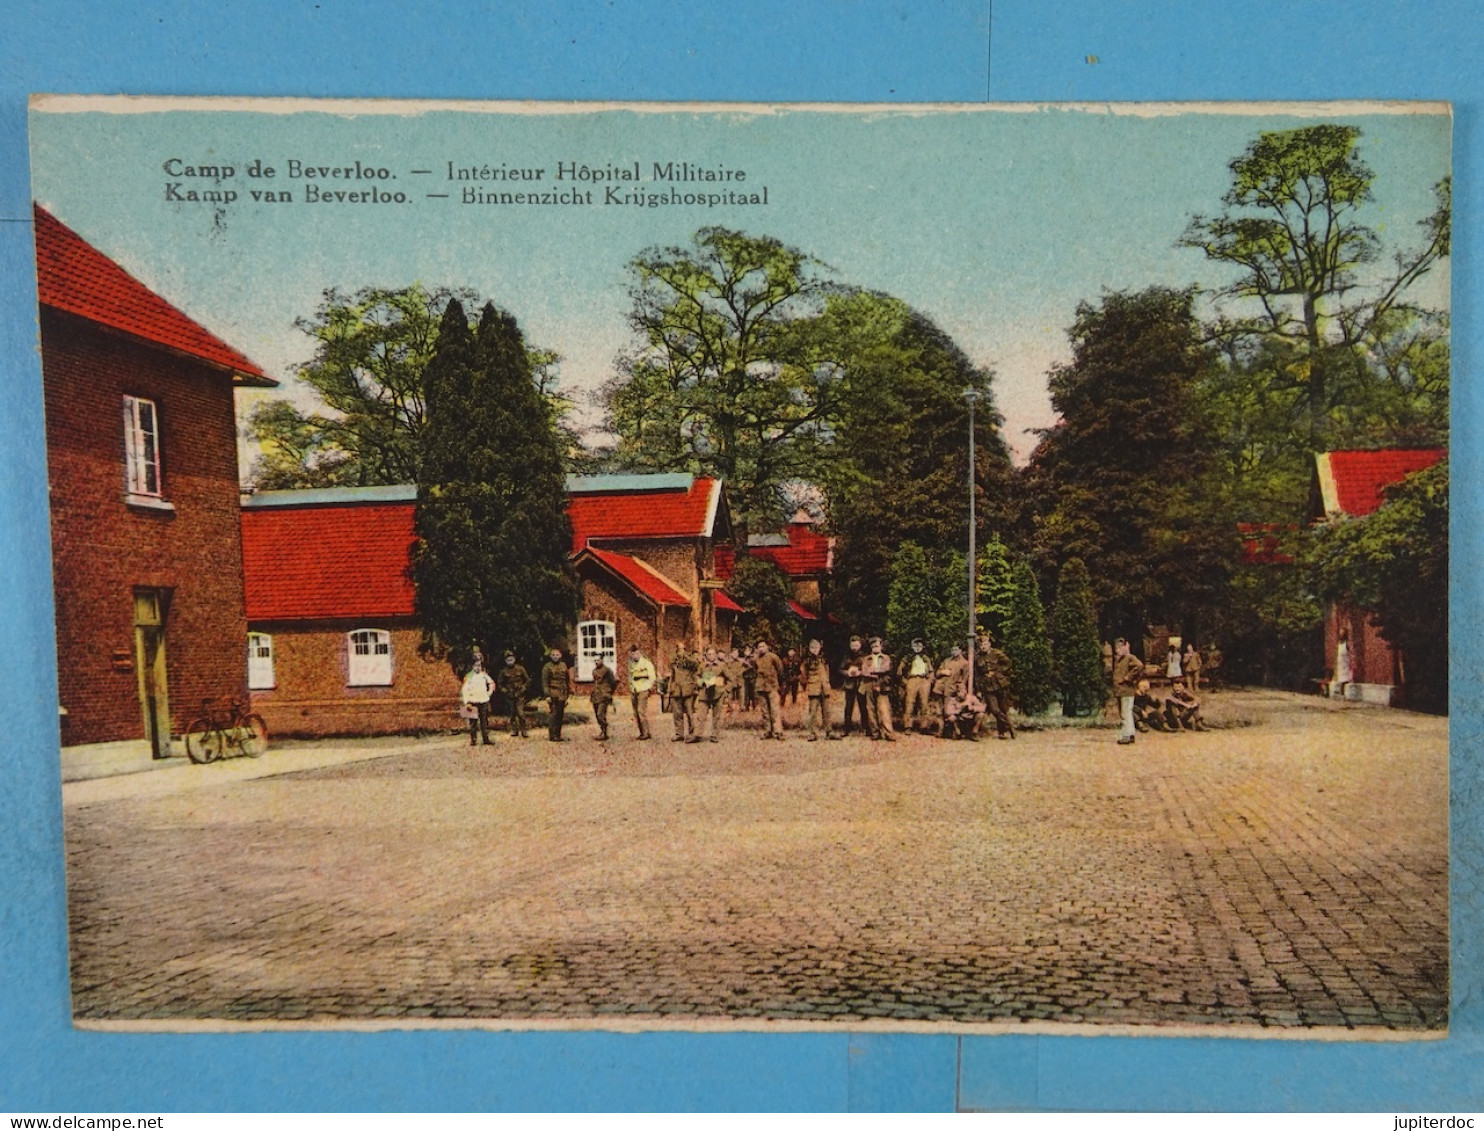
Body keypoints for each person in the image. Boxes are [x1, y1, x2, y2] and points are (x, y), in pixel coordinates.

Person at [976, 633, 1015, 740]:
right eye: (981, 645)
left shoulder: (996, 653)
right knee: (994, 710)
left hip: (999, 683)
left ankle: (1002, 733)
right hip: (987, 685)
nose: (983, 647)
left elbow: (1008, 663)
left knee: (1003, 709)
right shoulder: (978, 657)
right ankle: (1009, 726)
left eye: (984, 644)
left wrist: (999, 673)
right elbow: (977, 675)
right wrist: (979, 689)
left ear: (989, 644)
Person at [800, 638, 837, 741]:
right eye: (812, 647)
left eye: (816, 647)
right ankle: (812, 733)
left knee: (827, 711)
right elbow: (803, 674)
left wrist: (827, 683)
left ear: (820, 647)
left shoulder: (824, 659)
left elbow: (827, 671)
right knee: (812, 712)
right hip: (813, 688)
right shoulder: (807, 660)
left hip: (824, 687)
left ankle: (829, 731)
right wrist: (805, 685)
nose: (815, 650)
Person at [861, 637, 896, 741]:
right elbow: (864, 671)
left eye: (876, 646)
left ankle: (888, 733)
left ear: (881, 646)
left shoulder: (886, 658)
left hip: (882, 684)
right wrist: (874, 673)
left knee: (884, 709)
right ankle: (875, 732)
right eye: (872, 646)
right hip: (868, 684)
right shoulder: (866, 659)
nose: (874, 648)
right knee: (870, 709)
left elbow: (886, 670)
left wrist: (876, 676)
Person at [693, 647, 729, 743]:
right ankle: (698, 734)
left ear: (716, 655)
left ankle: (714, 735)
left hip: (718, 693)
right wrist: (700, 682)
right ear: (706, 655)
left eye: (713, 654)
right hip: (705, 693)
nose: (711, 656)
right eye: (709, 654)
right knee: (701, 715)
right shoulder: (702, 666)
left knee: (716, 716)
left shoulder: (722, 666)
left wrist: (726, 690)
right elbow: (696, 676)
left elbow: (731, 678)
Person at [1112, 637, 1144, 745]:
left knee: (1125, 713)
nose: (1118, 649)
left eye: (1121, 647)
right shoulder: (1119, 659)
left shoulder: (1129, 657)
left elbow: (1139, 666)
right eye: (1116, 647)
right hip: (1121, 691)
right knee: (1127, 713)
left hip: (1126, 690)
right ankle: (1130, 734)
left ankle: (1126, 735)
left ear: (1126, 646)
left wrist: (1128, 678)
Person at [933, 645, 970, 739]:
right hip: (940, 689)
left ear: (960, 650)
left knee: (949, 712)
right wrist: (942, 672)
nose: (953, 651)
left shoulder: (965, 663)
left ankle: (956, 731)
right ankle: (940, 731)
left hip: (952, 690)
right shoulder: (947, 660)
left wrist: (961, 690)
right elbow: (937, 673)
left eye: (956, 649)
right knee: (939, 712)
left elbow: (964, 680)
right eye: (952, 649)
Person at [901, 638, 935, 733]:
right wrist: (905, 681)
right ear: (912, 647)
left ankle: (924, 727)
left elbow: (931, 670)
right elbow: (899, 671)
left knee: (924, 704)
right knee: (909, 703)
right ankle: (907, 726)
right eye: (915, 646)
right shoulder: (907, 658)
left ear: (923, 647)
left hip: (924, 680)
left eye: (919, 646)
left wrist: (929, 681)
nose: (917, 648)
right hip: (912, 680)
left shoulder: (926, 658)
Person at [753, 640, 786, 739]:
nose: (761, 648)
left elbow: (780, 669)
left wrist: (779, 683)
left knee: (775, 710)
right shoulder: (756, 659)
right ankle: (768, 731)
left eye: (763, 646)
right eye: (759, 647)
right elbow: (755, 671)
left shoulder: (773, 657)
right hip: (760, 687)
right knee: (765, 711)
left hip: (772, 686)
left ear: (767, 647)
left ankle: (778, 732)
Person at [460, 659, 495, 746]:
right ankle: (473, 740)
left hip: (483, 701)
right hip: (472, 702)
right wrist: (467, 702)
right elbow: (464, 690)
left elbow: (492, 684)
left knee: (484, 721)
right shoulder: (468, 676)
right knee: (473, 722)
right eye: (476, 665)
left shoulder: (484, 675)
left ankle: (486, 739)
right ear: (472, 666)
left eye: (479, 665)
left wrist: (488, 694)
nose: (478, 667)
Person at [839, 636, 869, 737]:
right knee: (848, 707)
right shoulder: (846, 657)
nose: (854, 647)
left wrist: (860, 672)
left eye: (856, 645)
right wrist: (847, 672)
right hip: (849, 684)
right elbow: (840, 669)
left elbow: (868, 669)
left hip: (861, 684)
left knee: (863, 707)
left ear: (860, 645)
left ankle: (867, 728)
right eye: (852, 645)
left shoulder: (864, 657)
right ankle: (847, 729)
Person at [669, 643, 699, 741]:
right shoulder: (674, 663)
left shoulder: (690, 662)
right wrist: (670, 689)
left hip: (687, 690)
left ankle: (692, 732)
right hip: (677, 690)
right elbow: (672, 677)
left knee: (689, 713)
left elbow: (696, 665)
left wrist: (685, 656)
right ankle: (679, 733)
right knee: (677, 713)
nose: (680, 652)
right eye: (678, 650)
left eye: (682, 650)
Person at [541, 646, 572, 742]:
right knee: (553, 714)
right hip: (553, 693)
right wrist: (547, 695)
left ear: (560, 655)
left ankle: (558, 735)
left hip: (562, 694)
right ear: (550, 656)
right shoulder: (547, 667)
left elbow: (567, 681)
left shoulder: (564, 665)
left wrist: (568, 696)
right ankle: (552, 735)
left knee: (560, 715)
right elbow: (545, 682)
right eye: (553, 655)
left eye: (557, 655)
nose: (555, 657)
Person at [627, 644, 656, 740]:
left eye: (635, 653)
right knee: (636, 713)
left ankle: (646, 733)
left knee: (641, 711)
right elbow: (630, 677)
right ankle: (642, 732)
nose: (633, 656)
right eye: (632, 654)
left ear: (639, 653)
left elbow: (652, 677)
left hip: (643, 689)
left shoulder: (646, 663)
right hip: (634, 690)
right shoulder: (631, 664)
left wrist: (648, 688)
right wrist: (631, 688)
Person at [589, 654, 617, 741]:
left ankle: (604, 728)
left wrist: (609, 692)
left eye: (598, 660)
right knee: (598, 715)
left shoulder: (607, 670)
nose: (596, 662)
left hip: (604, 695)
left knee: (600, 714)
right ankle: (603, 732)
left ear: (602, 660)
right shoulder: (594, 671)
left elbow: (613, 682)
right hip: (595, 696)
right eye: (595, 661)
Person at [502, 651, 530, 737]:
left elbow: (528, 680)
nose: (510, 660)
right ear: (505, 660)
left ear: (514, 659)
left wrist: (523, 688)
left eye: (511, 658)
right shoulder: (504, 671)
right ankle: (514, 730)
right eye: (508, 659)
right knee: (512, 713)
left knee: (521, 713)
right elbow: (500, 684)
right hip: (510, 695)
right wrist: (505, 691)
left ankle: (524, 730)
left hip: (519, 694)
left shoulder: (520, 669)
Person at [724, 649, 745, 716]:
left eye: (737, 653)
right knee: (729, 696)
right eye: (734, 653)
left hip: (739, 681)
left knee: (741, 696)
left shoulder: (740, 662)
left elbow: (743, 670)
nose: (736, 655)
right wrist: (731, 677)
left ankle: (741, 709)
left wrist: (739, 675)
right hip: (731, 681)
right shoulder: (727, 662)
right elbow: (726, 671)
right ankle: (730, 709)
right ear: (731, 654)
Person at [1333, 628, 1353, 699]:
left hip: (1345, 664)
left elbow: (1350, 654)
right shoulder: (1338, 644)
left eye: (1343, 633)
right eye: (1340, 633)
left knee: (1345, 678)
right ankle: (1340, 691)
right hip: (1340, 663)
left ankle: (1343, 692)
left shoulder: (1346, 644)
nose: (1341, 635)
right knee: (1339, 677)